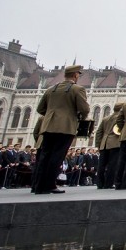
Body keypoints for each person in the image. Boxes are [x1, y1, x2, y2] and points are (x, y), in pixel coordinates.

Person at [33, 65, 89, 195]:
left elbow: (40, 109)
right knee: (57, 156)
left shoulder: (51, 89)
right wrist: (77, 116)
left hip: (48, 126)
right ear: (75, 75)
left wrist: (52, 115)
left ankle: (39, 186)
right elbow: (84, 109)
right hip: (65, 126)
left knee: (45, 156)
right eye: (78, 75)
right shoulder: (77, 89)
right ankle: (50, 185)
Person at [95, 103, 123, 189]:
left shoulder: (105, 118)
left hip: (104, 143)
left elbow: (99, 132)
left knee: (101, 164)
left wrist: (98, 145)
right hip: (115, 143)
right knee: (112, 165)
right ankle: (108, 184)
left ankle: (100, 184)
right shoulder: (121, 118)